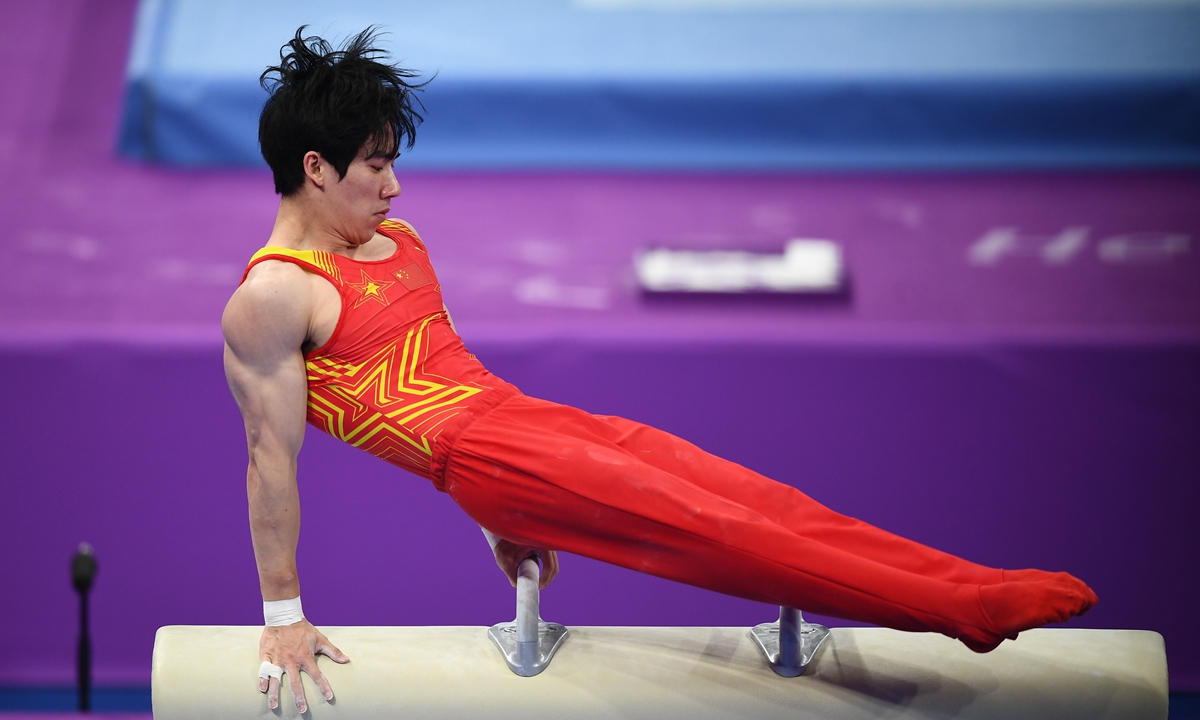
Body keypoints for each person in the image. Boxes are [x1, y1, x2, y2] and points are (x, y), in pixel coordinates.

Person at [222, 27, 1097, 714]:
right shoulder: (276, 297)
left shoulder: (399, 243)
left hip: (528, 425)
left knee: (757, 499)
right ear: (314, 167)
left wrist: (500, 524)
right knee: (718, 533)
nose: (395, 188)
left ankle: (971, 580)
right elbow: (271, 461)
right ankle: (963, 615)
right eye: (376, 165)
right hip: (499, 457)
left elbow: (430, 386)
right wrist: (283, 617)